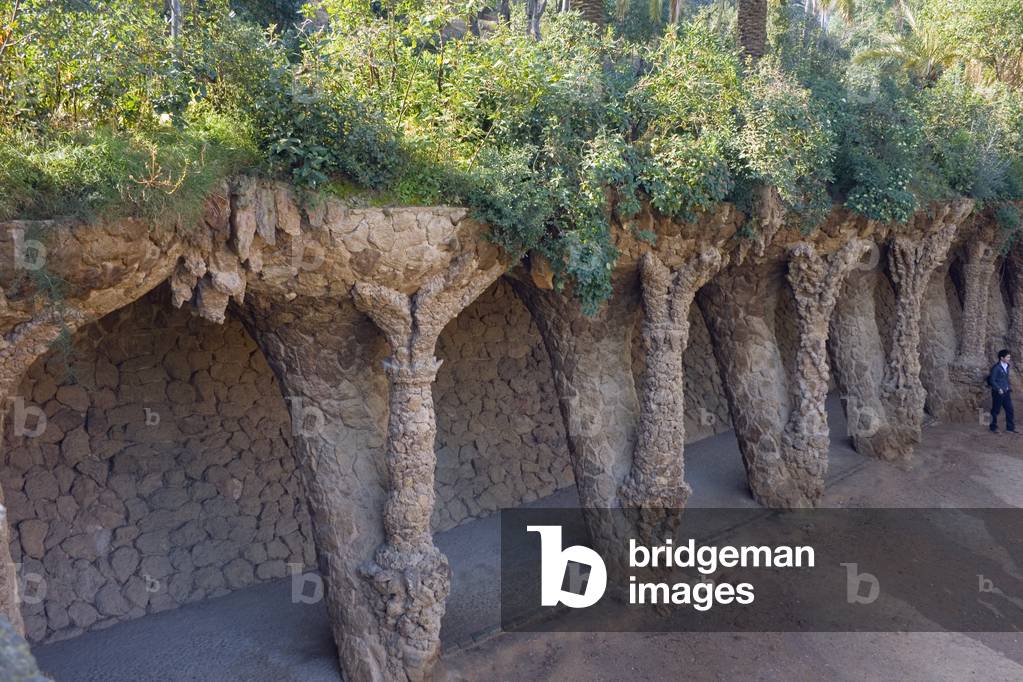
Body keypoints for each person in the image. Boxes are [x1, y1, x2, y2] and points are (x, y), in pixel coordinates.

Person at [989, 349, 1015, 434]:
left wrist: (1008, 387)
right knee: (995, 410)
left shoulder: (1007, 366)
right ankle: (993, 427)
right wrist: (998, 389)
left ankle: (1010, 428)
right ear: (1002, 358)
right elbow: (992, 380)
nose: (1009, 359)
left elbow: (1005, 379)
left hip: (1006, 392)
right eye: (1007, 357)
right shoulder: (996, 368)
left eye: (1009, 357)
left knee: (1010, 409)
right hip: (998, 392)